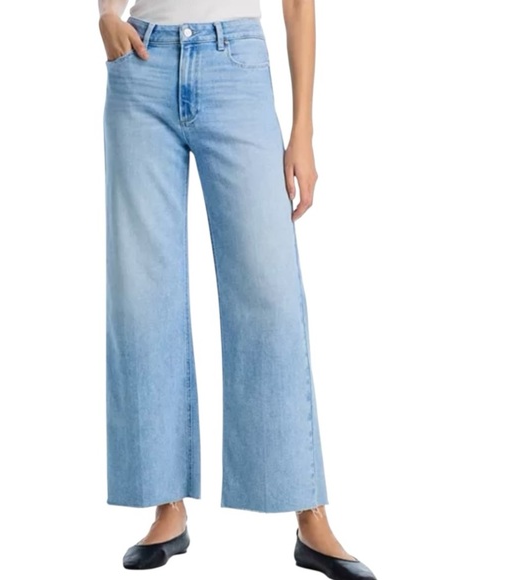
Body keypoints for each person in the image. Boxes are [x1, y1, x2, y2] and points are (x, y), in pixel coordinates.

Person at [98, 0, 377, 578]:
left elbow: (297, 5)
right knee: (143, 294)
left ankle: (309, 515)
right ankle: (166, 507)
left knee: (270, 294)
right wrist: (105, 13)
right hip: (141, 63)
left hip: (237, 66)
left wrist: (302, 131)